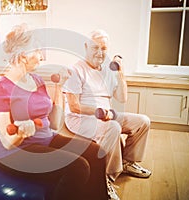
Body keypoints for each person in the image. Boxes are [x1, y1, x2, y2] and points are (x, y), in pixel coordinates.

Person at [0, 24, 109, 200]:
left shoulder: (36, 80)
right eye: (37, 51)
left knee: (97, 152)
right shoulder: (0, 88)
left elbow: (55, 123)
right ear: (23, 56)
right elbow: (8, 142)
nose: (41, 56)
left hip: (46, 139)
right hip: (16, 151)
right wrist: (22, 132)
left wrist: (61, 86)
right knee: (78, 167)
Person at [63, 29, 152, 200]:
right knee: (113, 127)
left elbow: (122, 97)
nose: (99, 52)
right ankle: (104, 180)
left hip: (107, 115)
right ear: (86, 46)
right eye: (95, 47)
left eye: (103, 48)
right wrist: (99, 112)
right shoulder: (75, 70)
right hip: (80, 118)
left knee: (143, 121)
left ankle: (128, 162)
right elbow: (74, 106)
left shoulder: (108, 70)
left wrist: (120, 73)